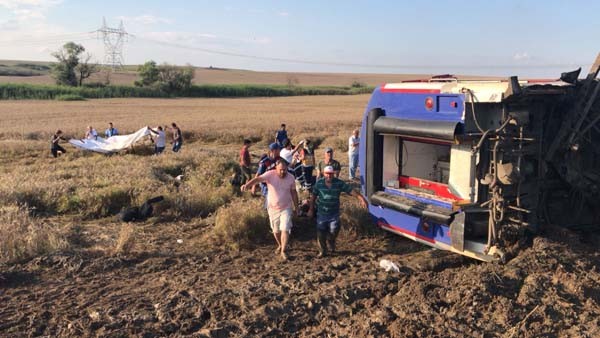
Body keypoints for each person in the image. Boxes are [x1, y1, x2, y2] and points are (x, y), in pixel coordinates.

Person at [241, 159, 299, 260]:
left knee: (285, 228)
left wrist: (297, 207)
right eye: (281, 170)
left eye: (285, 169)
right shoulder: (269, 175)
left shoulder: (291, 178)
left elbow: (294, 193)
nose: (283, 172)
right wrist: (247, 185)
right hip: (273, 208)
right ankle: (280, 245)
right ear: (276, 168)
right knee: (276, 230)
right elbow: (258, 179)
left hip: (286, 207)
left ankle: (283, 251)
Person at [308, 166, 367, 257]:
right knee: (320, 232)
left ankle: (331, 241)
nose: (329, 176)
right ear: (324, 174)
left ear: (333, 174)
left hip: (334, 213)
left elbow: (350, 190)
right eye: (327, 173)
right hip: (322, 213)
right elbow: (313, 197)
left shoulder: (338, 183)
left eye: (331, 174)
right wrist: (311, 209)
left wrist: (360, 198)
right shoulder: (319, 184)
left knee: (334, 229)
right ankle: (323, 250)